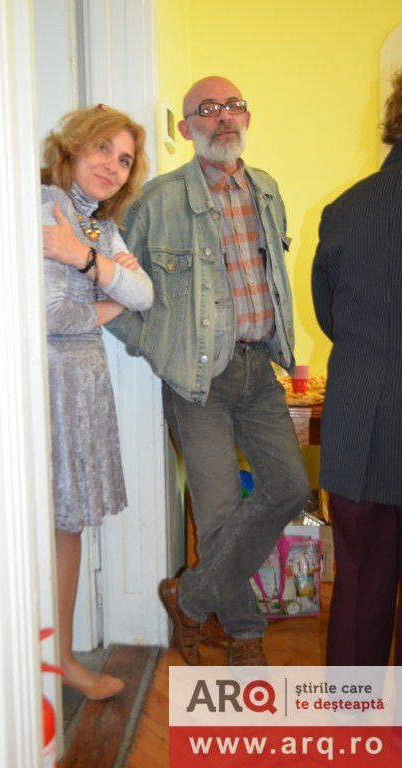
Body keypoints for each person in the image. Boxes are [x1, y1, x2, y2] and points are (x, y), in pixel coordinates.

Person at [106, 76, 309, 666]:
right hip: (197, 382)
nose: (224, 117)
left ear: (248, 117)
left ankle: (190, 599)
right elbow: (116, 291)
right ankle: (244, 633)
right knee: (218, 511)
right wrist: (157, 347)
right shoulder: (156, 202)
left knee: (290, 487)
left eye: (234, 106)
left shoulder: (266, 190)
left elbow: (272, 280)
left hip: (258, 369)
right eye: (209, 108)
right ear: (186, 126)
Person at [41, 105, 153, 698]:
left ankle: (59, 660)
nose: (113, 165)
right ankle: (42, 662)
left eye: (125, 159)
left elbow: (145, 293)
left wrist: (85, 259)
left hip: (85, 390)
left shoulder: (97, 228)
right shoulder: (46, 206)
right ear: (75, 146)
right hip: (52, 387)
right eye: (103, 148)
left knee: (69, 528)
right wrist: (109, 296)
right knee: (48, 527)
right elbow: (49, 317)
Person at [312, 70, 402, 666]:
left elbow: (330, 315)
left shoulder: (345, 209)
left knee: (361, 580)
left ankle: (352, 710)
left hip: (361, 425)